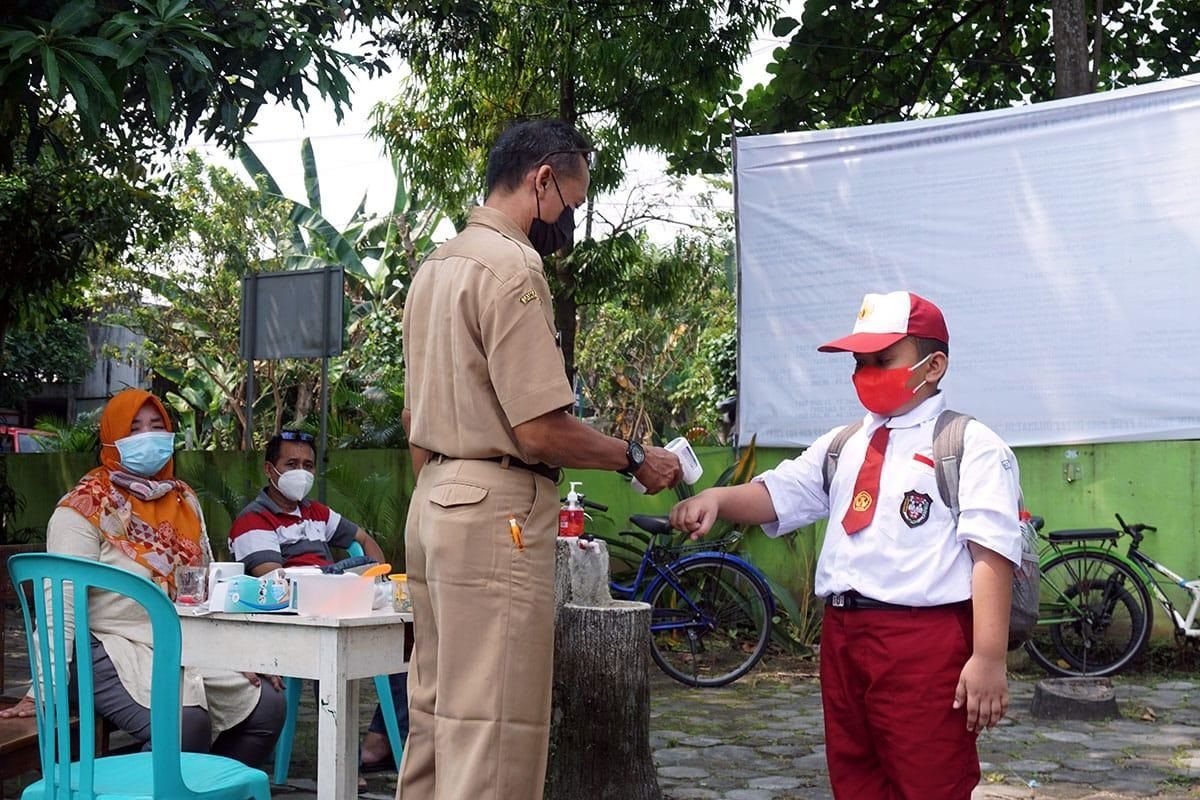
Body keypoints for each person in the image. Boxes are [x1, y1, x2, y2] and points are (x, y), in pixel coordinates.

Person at [398, 118, 682, 800]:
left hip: (432, 502)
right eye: (571, 207)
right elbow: (540, 432)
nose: (566, 224)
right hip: (496, 509)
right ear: (542, 180)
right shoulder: (512, 265)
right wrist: (634, 455)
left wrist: (444, 492)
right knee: (493, 732)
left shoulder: (435, 266)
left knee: (438, 720)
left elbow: (414, 420)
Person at [669, 291, 1023, 800]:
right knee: (855, 777)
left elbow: (991, 554)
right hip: (843, 638)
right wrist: (718, 498)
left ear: (934, 365)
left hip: (922, 644)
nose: (867, 372)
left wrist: (988, 658)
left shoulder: (969, 445)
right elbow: (779, 493)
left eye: (884, 360)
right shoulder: (844, 444)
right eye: (860, 362)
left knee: (929, 781)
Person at [0, 389, 285, 769]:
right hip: (106, 645)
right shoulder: (82, 509)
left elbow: (206, 585)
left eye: (157, 426)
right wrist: (40, 692)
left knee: (266, 705)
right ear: (112, 438)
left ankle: (198, 792)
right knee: (184, 724)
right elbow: (61, 607)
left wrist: (236, 651)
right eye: (134, 429)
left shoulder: (183, 500)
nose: (148, 437)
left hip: (182, 639)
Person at [226, 430, 407, 776]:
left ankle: (381, 741)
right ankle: (341, 766)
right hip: (294, 620)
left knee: (401, 641)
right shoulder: (254, 520)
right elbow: (277, 583)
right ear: (270, 469)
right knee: (334, 655)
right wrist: (334, 575)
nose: (301, 472)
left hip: (336, 602)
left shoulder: (316, 514)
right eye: (291, 464)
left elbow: (364, 540)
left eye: (308, 465)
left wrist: (373, 576)